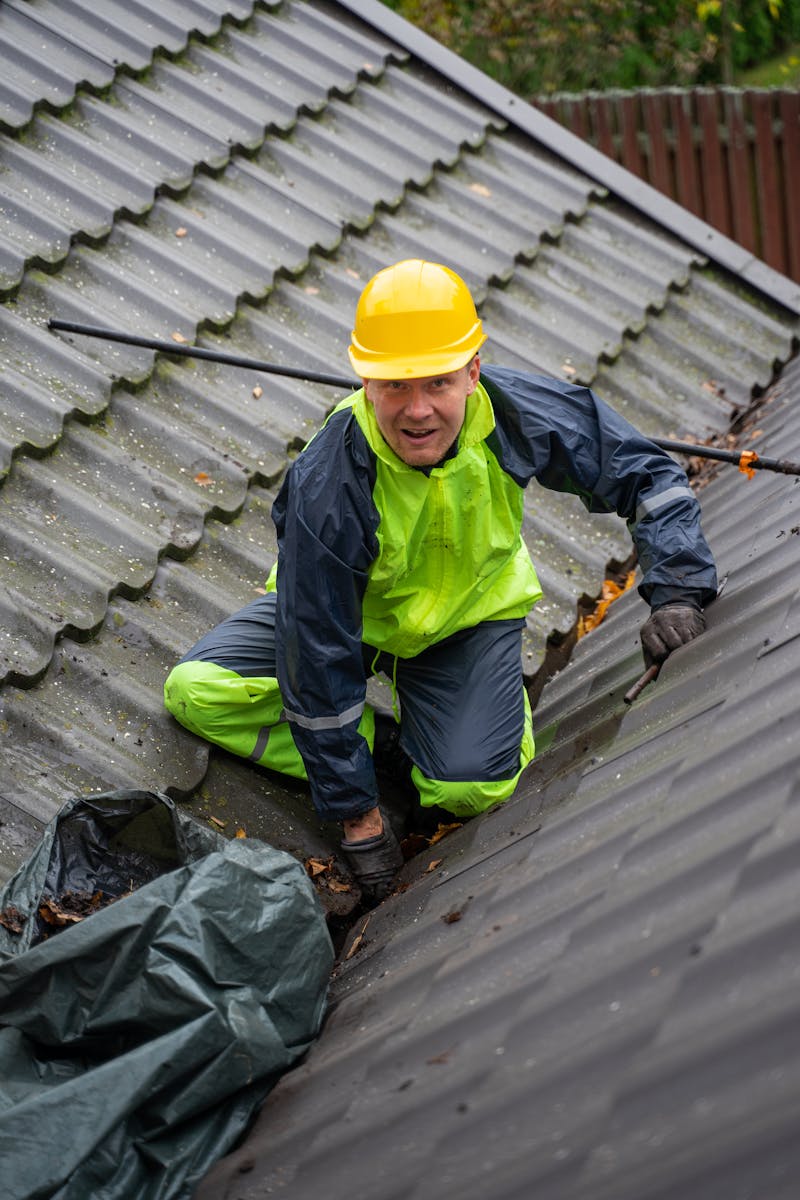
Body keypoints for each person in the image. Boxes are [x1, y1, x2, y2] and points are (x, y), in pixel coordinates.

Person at [164, 259, 716, 904]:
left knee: (468, 788)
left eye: (438, 383)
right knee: (198, 691)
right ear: (366, 380)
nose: (418, 410)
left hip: (464, 620)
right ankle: (381, 756)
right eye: (396, 386)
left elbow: (645, 474)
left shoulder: (515, 415)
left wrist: (677, 586)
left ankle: (452, 728)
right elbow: (317, 646)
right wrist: (356, 815)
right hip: (349, 621)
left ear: (473, 372)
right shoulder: (330, 480)